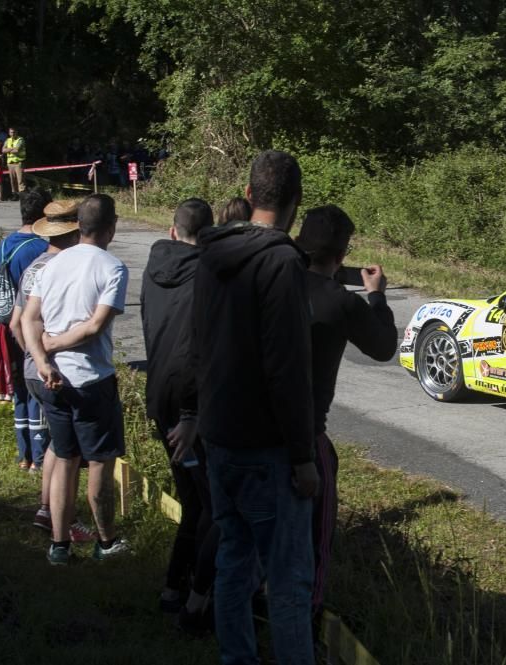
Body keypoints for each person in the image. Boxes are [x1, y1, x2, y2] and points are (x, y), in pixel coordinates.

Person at [192, 150, 318, 664]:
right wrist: (303, 454)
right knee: (287, 580)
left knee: (233, 560)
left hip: (220, 434)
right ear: (296, 203)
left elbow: (199, 343)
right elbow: (287, 367)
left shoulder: (210, 253)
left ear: (248, 196)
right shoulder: (282, 263)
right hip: (267, 446)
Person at [295, 205, 399, 613]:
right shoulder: (342, 303)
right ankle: (309, 611)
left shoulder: (275, 283)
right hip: (306, 430)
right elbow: (384, 346)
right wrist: (376, 296)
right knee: (318, 531)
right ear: (342, 254)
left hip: (254, 421)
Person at [22, 193, 130, 566]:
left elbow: (28, 319)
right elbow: (95, 325)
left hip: (48, 378)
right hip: (89, 379)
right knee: (100, 461)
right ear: (111, 229)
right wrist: (54, 344)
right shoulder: (113, 267)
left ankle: (59, 545)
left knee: (64, 458)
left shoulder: (51, 263)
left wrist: (43, 358)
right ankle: (106, 540)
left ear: (77, 226)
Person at [141, 198, 218, 632]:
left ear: (172, 231)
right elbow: (196, 349)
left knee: (193, 500)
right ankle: (195, 598)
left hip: (159, 399)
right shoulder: (206, 278)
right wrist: (194, 410)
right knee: (211, 505)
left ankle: (176, 587)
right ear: (206, 237)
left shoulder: (154, 269)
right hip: (189, 407)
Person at [9, 200, 95, 544]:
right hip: (59, 368)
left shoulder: (34, 266)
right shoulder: (64, 267)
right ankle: (66, 520)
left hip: (33, 368)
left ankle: (46, 510)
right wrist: (48, 356)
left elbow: (17, 322)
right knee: (70, 451)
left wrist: (32, 354)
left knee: (57, 445)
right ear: (74, 230)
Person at [0, 190, 51, 469]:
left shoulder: (6, 243)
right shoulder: (39, 248)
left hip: (7, 324)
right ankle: (39, 457)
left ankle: (23, 453)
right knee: (35, 390)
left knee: (19, 388)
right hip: (31, 325)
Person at [3, 127, 26, 197]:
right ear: (9, 133)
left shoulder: (20, 139)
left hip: (18, 163)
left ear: (16, 132)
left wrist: (8, 149)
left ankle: (22, 195)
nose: (12, 134)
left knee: (20, 180)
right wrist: (12, 149)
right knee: (12, 180)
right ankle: (15, 195)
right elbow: (3, 150)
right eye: (11, 132)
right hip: (10, 163)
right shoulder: (7, 140)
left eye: (14, 132)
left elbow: (17, 150)